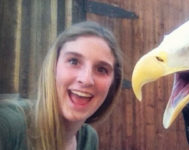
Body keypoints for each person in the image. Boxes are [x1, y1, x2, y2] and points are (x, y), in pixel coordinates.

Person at [0, 21, 123, 150]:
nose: (86, 79)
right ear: (53, 66)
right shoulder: (8, 125)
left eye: (101, 69)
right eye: (73, 61)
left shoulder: (88, 139)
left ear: (113, 83)